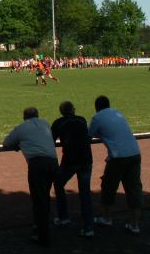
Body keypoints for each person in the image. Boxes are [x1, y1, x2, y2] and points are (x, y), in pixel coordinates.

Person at [3, 107, 58, 247]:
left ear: (24, 117)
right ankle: (41, 226)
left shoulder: (22, 128)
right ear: (37, 115)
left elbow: (7, 143)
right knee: (45, 197)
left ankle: (42, 236)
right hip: (52, 163)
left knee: (39, 200)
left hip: (37, 165)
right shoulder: (45, 123)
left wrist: (19, 144)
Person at [89, 95, 143, 234]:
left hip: (118, 157)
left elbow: (89, 135)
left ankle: (106, 218)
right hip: (135, 153)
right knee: (134, 189)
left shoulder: (97, 117)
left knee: (108, 186)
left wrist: (100, 135)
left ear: (96, 107)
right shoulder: (118, 112)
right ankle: (135, 225)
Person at [51, 101, 94, 237]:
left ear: (62, 112)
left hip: (71, 160)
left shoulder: (59, 123)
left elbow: (51, 140)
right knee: (85, 193)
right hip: (86, 160)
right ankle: (88, 228)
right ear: (73, 110)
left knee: (58, 183)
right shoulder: (81, 120)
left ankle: (64, 217)